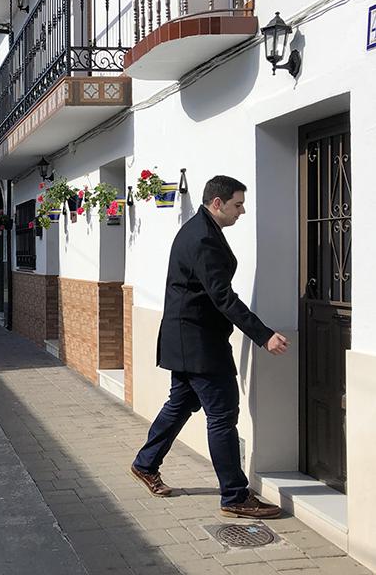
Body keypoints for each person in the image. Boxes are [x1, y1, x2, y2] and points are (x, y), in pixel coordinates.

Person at [130, 176, 289, 519]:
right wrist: (263, 335)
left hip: (187, 339)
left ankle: (145, 464)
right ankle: (234, 496)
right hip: (198, 344)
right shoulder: (202, 237)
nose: (242, 211)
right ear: (217, 203)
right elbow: (222, 297)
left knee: (180, 404)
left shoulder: (200, 229)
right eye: (237, 204)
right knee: (222, 417)